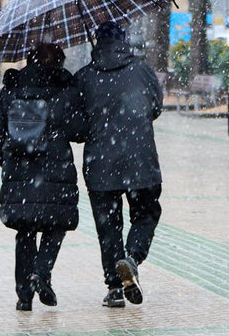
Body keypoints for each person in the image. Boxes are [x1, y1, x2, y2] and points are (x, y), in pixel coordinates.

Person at [64, 21, 164, 308]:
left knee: (108, 227)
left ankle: (114, 288)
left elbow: (76, 128)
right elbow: (155, 108)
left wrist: (97, 125)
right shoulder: (142, 70)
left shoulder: (84, 78)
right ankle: (131, 257)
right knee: (146, 213)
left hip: (101, 165)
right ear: (124, 40)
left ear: (97, 43)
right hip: (140, 160)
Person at [0, 42, 79, 311]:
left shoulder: (12, 87)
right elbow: (78, 130)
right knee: (56, 225)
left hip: (20, 170)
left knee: (25, 231)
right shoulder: (65, 88)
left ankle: (24, 296)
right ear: (59, 60)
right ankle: (41, 272)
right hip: (56, 169)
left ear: (29, 57)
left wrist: (9, 161)